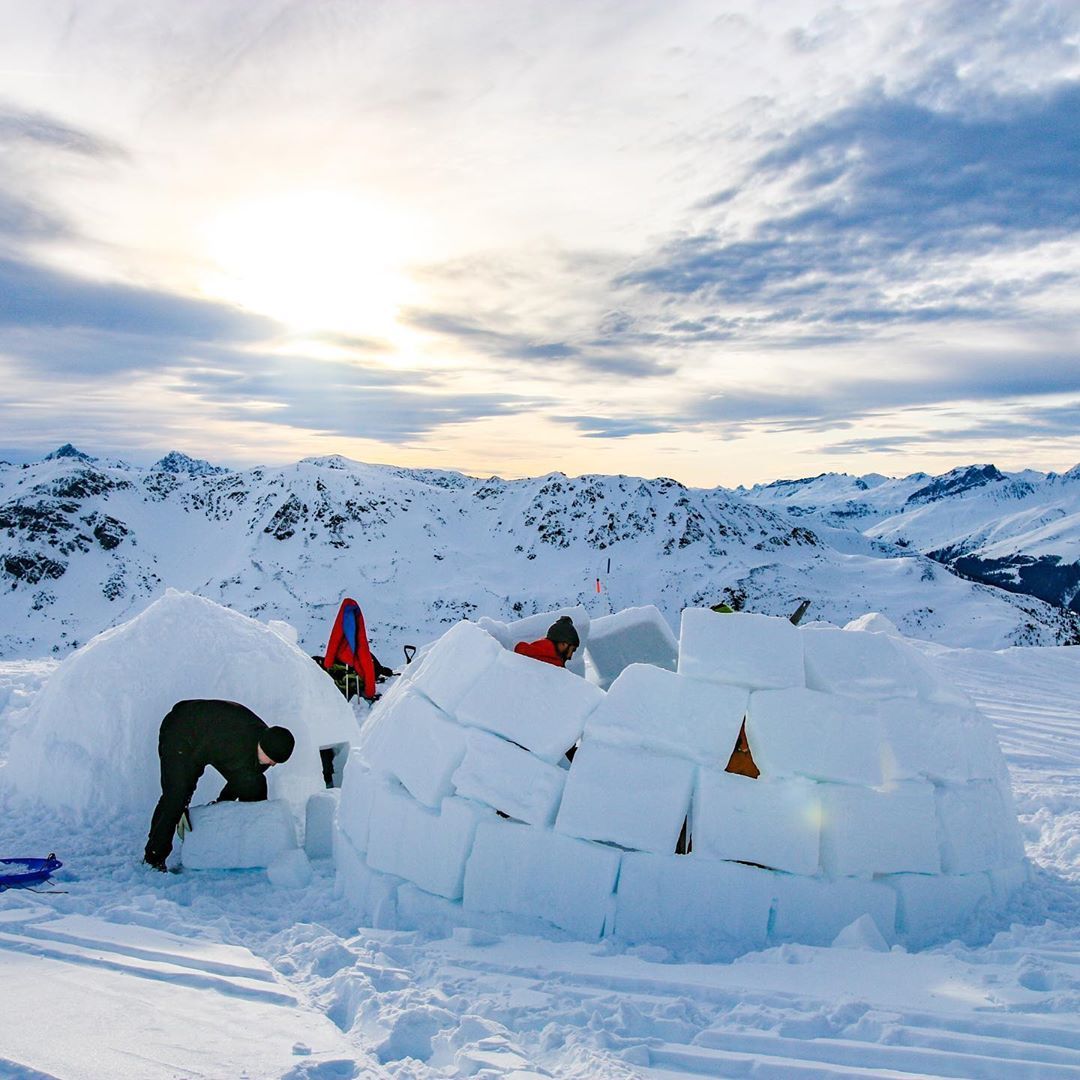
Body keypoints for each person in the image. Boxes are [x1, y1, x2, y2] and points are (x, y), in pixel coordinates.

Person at [143, 699, 295, 871]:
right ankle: (153, 857)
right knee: (176, 796)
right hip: (181, 730)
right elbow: (235, 774)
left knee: (254, 785)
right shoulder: (234, 743)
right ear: (264, 749)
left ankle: (250, 848)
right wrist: (215, 803)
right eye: (273, 760)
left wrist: (223, 805)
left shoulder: (264, 746)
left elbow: (243, 779)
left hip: (208, 736)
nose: (273, 765)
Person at [513, 615, 580, 668]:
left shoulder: (525, 654)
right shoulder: (555, 665)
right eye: (572, 650)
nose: (570, 656)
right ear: (564, 644)